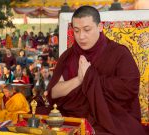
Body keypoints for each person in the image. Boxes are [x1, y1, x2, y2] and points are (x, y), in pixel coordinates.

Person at [47, 6, 146, 135]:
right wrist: (80, 79)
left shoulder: (119, 53)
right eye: (76, 31)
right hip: (73, 118)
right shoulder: (68, 56)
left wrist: (91, 77)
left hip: (111, 121)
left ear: (100, 27)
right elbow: (53, 93)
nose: (81, 36)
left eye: (87, 30)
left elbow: (130, 87)